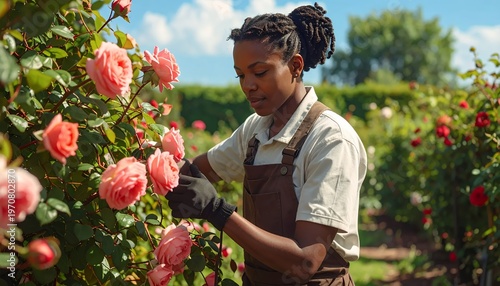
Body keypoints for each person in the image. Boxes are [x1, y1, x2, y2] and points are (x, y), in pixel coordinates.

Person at [166, 3, 367, 285]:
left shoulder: (330, 139)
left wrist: (216, 210)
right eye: (240, 75)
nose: (247, 85)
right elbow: (197, 172)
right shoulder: (256, 129)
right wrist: (150, 162)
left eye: (259, 72)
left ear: (295, 66)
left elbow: (305, 261)